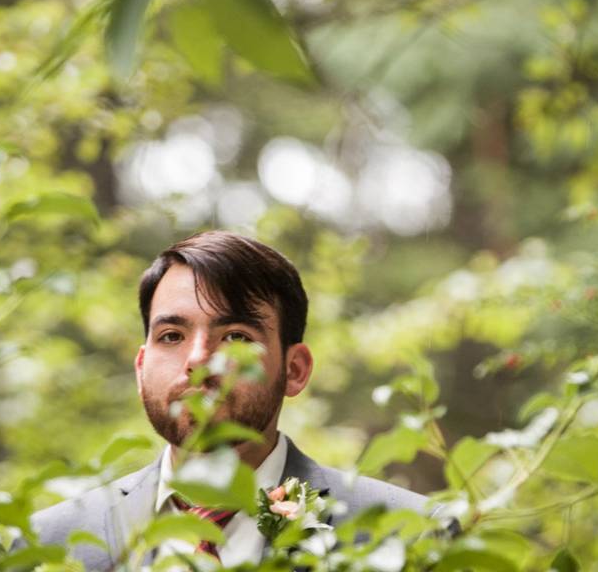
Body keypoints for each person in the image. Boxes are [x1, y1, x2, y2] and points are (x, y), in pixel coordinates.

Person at [29, 231, 427, 569]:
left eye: (236, 336)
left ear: (295, 370)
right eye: (171, 336)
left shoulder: (413, 534)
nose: (199, 360)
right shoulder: (45, 543)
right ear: (140, 367)